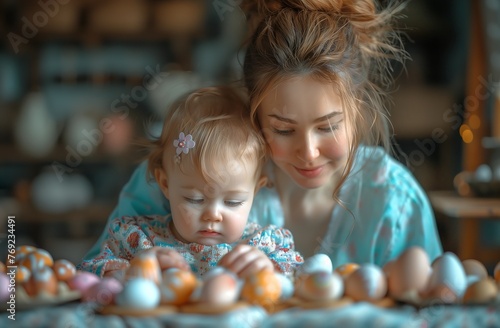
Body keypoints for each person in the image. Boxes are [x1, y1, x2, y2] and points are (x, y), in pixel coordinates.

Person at [82, 0, 442, 271]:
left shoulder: (393, 203)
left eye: (328, 126)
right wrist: (130, 275)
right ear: (254, 111)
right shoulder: (188, 170)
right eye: (283, 129)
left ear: (358, 109)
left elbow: (433, 306)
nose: (309, 152)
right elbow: (89, 284)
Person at [78, 86, 303, 278]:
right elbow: (87, 274)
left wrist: (270, 271)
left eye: (233, 202)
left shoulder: (262, 246)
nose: (213, 215)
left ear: (256, 190)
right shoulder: (139, 240)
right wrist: (132, 271)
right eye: (194, 199)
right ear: (165, 184)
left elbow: (299, 277)